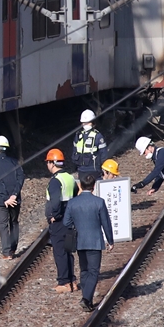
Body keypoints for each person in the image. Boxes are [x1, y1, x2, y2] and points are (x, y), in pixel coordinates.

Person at [62, 174, 114, 312]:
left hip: (79, 241)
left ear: (80, 185)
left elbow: (66, 222)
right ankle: (86, 299)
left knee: (84, 270)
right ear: (94, 186)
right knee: (94, 271)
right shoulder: (99, 202)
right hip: (95, 241)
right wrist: (110, 240)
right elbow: (106, 223)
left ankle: (87, 300)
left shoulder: (73, 202)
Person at [44, 149, 77, 293]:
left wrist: (54, 216)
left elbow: (56, 202)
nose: (47, 165)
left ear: (52, 163)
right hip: (70, 220)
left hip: (59, 223)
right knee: (69, 251)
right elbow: (76, 193)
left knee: (60, 251)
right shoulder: (69, 177)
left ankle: (63, 282)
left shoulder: (55, 181)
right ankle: (72, 281)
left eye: (48, 162)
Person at [0, 136, 25, 260]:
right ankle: (13, 249)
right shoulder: (15, 162)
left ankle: (7, 252)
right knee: (14, 222)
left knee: (3, 225)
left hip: (1, 200)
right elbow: (20, 178)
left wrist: (5, 198)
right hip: (15, 199)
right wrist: (14, 195)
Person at [71, 110, 108, 180]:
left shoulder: (97, 136)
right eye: (84, 123)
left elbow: (104, 155)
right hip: (81, 169)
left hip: (94, 169)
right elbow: (74, 151)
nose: (85, 124)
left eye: (87, 123)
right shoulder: (78, 135)